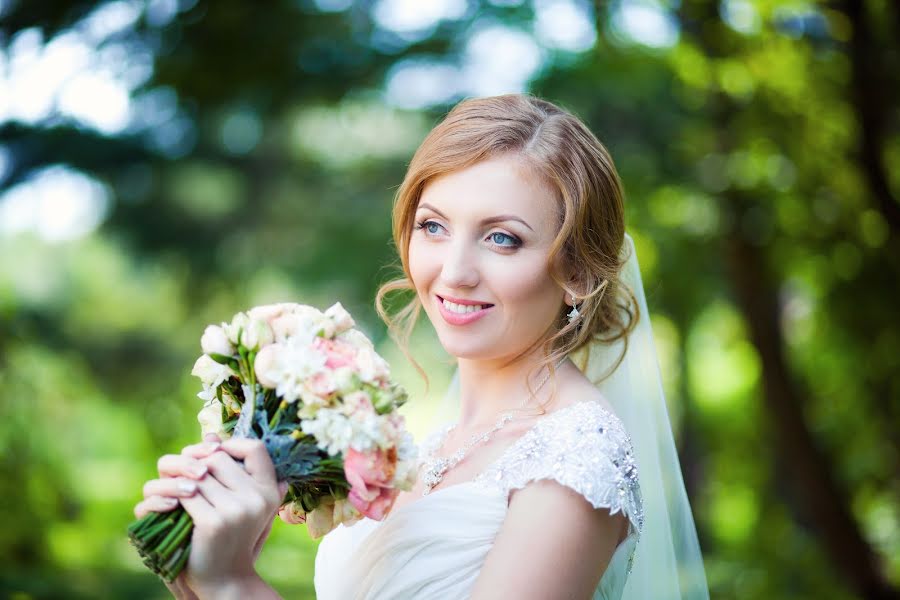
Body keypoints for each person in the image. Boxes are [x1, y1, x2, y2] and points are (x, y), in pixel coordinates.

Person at [134, 94, 709, 599]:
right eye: (434, 226)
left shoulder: (574, 461)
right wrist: (203, 565)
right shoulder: (433, 445)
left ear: (579, 272)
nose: (454, 271)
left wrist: (236, 585)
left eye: (502, 238)